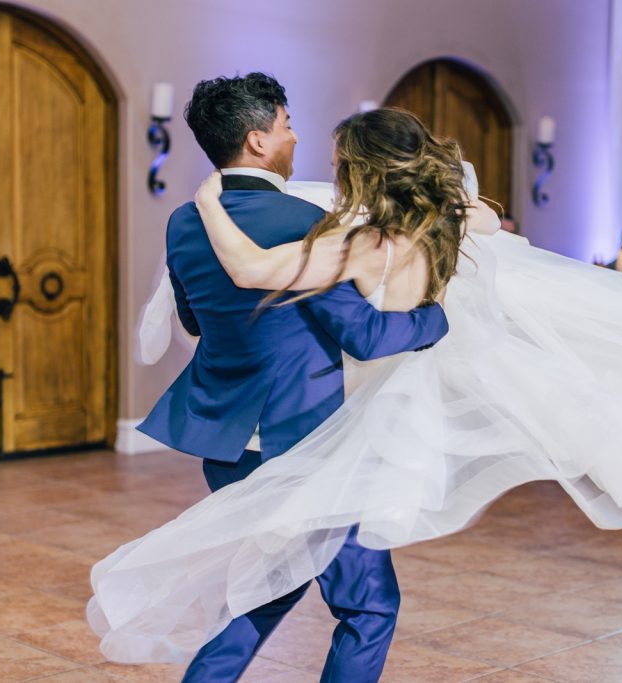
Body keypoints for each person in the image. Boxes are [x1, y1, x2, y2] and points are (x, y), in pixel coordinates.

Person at [89, 109, 622, 669]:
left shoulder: (350, 240)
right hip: (400, 422)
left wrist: (209, 203)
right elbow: (470, 249)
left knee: (298, 578)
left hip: (366, 424)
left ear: (358, 170)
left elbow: (254, 272)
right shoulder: (461, 221)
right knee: (344, 593)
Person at [116, 76, 452, 683]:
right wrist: (436, 318)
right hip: (307, 446)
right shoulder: (311, 221)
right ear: (258, 140)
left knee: (265, 590)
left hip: (225, 442)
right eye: (287, 124)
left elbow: (193, 319)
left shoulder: (186, 221)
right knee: (368, 605)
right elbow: (366, 335)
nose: (296, 136)